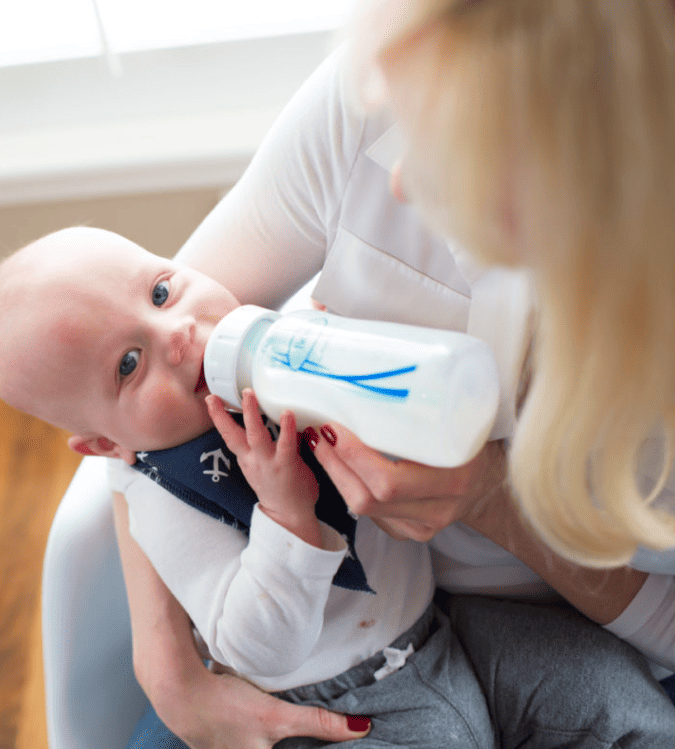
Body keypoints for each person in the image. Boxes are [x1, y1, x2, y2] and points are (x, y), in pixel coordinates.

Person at [85, 26, 675, 747]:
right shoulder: (393, 75)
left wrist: (495, 499)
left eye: (463, 141)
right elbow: (137, 377)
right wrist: (171, 671)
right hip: (330, 666)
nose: (398, 181)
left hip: (575, 630)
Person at [0, 226, 675, 749]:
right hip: (337, 702)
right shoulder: (168, 496)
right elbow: (253, 648)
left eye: (162, 291)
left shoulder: (284, 359)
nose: (180, 334)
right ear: (106, 445)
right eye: (130, 363)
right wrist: (286, 517)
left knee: (610, 691)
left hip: (445, 629)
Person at [351, 0, 675, 568]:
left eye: (444, 159)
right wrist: (164, 649)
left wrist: (485, 497)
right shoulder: (422, 51)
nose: (397, 181)